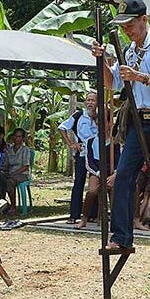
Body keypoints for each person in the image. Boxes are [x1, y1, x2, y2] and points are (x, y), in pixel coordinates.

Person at [92, 0, 150, 254]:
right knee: (122, 177)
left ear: (144, 20)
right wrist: (101, 61)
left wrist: (140, 77)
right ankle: (122, 236)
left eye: (130, 25)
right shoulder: (130, 51)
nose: (127, 31)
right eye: (123, 27)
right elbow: (113, 83)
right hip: (138, 123)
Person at [77, 107, 121, 229]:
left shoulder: (114, 142)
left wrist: (114, 175)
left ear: (109, 123)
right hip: (96, 171)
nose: (100, 126)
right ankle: (84, 219)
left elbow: (119, 161)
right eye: (97, 124)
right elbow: (89, 162)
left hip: (111, 172)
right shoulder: (90, 141)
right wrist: (97, 172)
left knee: (113, 190)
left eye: (103, 123)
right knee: (91, 191)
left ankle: (116, 221)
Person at [60, 91, 99, 224]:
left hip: (97, 155)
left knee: (95, 184)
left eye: (93, 100)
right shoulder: (78, 116)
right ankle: (74, 214)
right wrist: (71, 144)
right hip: (82, 154)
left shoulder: (102, 116)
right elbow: (62, 127)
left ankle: (93, 214)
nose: (90, 103)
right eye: (88, 100)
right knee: (79, 183)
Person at [2, 128, 32, 212]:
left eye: (19, 136)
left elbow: (26, 166)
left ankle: (13, 206)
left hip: (22, 174)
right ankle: (3, 204)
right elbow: (6, 165)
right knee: (0, 180)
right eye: (15, 136)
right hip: (11, 173)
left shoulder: (25, 150)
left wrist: (14, 173)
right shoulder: (9, 150)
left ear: (22, 138)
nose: (16, 138)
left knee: (10, 180)